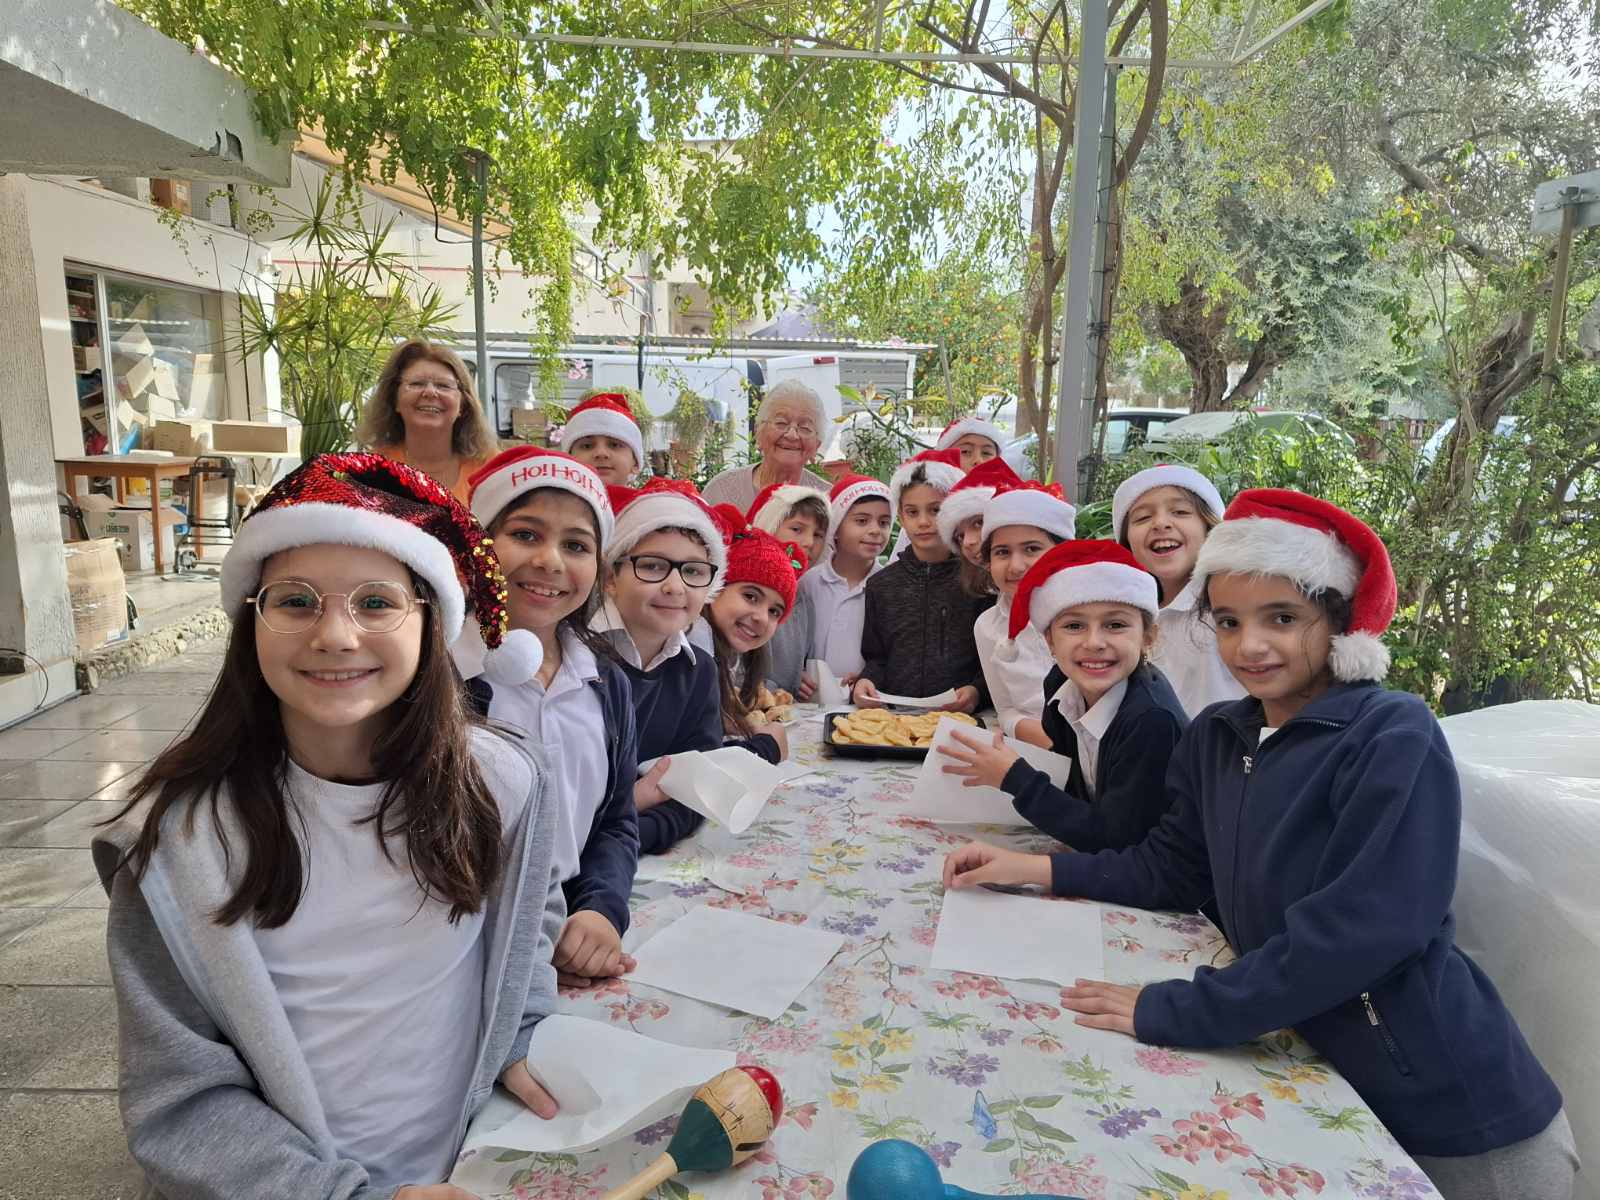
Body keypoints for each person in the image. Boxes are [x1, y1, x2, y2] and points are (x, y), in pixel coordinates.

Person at [946, 490, 1576, 1200]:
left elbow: (1363, 930)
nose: (1250, 645)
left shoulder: (1391, 734)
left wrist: (1183, 1009)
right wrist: (1035, 870)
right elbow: (1170, 867)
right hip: (1311, 1073)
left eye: (1282, 618)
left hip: (1451, 1114)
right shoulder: (1218, 736)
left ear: (1338, 622)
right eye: (1229, 621)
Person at [93, 453, 563, 1197]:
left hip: (464, 1165)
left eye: (376, 602)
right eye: (295, 601)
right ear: (251, 619)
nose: (336, 635)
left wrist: (520, 1028)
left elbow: (530, 915)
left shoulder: (505, 779)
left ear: (431, 621)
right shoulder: (178, 842)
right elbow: (179, 1098)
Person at [463, 447, 642, 991]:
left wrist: (600, 909)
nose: (550, 561)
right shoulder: (441, 677)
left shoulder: (605, 680)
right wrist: (527, 937)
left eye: (576, 545)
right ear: (477, 545)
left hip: (567, 935)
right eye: (525, 534)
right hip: (466, 954)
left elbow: (616, 821)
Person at [940, 538, 1188, 856]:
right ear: (1050, 641)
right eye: (1074, 626)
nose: (1094, 642)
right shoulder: (1060, 684)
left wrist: (1015, 777)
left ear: (1147, 636)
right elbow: (1074, 786)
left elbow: (1117, 841)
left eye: (1115, 624)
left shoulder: (1152, 720)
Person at [592, 477, 727, 855]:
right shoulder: (577, 660)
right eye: (652, 566)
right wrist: (630, 803)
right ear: (610, 578)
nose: (674, 587)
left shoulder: (699, 671)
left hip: (633, 855)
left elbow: (695, 791)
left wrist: (627, 834)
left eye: (694, 571)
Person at [852, 448, 990, 711]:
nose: (923, 522)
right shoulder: (881, 585)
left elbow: (992, 661)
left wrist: (977, 691)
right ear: (901, 518)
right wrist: (866, 681)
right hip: (895, 719)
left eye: (935, 510)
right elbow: (877, 657)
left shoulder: (979, 582)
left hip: (961, 719)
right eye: (912, 512)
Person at [1112, 464, 1245, 718]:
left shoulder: (1231, 607)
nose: (1161, 523)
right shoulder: (1127, 614)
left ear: (1209, 526)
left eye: (1181, 512)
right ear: (1127, 541)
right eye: (1142, 517)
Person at [969, 480, 1077, 747]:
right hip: (1031, 751)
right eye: (1002, 552)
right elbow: (1005, 710)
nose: (1016, 566)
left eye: (1031, 549)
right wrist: (1052, 745)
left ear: (1062, 551)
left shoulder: (1092, 616)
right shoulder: (987, 626)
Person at [705, 505, 807, 764]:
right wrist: (767, 747)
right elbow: (699, 763)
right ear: (717, 587)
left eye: (774, 611)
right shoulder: (692, 654)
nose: (762, 617)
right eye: (750, 596)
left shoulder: (728, 657)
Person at [357, 339, 499, 505]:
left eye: (443, 386)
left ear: (463, 405)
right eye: (417, 384)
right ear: (394, 400)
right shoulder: (374, 470)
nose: (430, 392)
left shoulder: (491, 467)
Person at [802, 473, 892, 685]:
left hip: (867, 701)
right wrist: (796, 675)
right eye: (862, 521)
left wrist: (872, 676)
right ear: (835, 528)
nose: (875, 531)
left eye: (884, 522)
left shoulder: (891, 588)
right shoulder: (808, 584)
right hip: (808, 700)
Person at [746, 482, 829, 696]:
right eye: (797, 529)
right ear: (770, 527)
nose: (809, 542)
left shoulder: (804, 600)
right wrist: (771, 689)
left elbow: (790, 664)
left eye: (818, 535)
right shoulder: (744, 590)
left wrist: (795, 678)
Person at [701, 380, 831, 510]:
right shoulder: (720, 491)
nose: (792, 435)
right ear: (759, 432)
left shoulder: (828, 501)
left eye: (805, 428)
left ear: (817, 444)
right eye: (781, 423)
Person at [558, 391, 646, 486]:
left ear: (635, 463)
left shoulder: (655, 496)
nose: (601, 453)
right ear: (569, 458)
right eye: (587, 446)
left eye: (614, 445)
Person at [934, 414, 1007, 472]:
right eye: (965, 451)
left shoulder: (1010, 486)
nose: (978, 461)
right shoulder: (929, 485)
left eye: (986, 453)